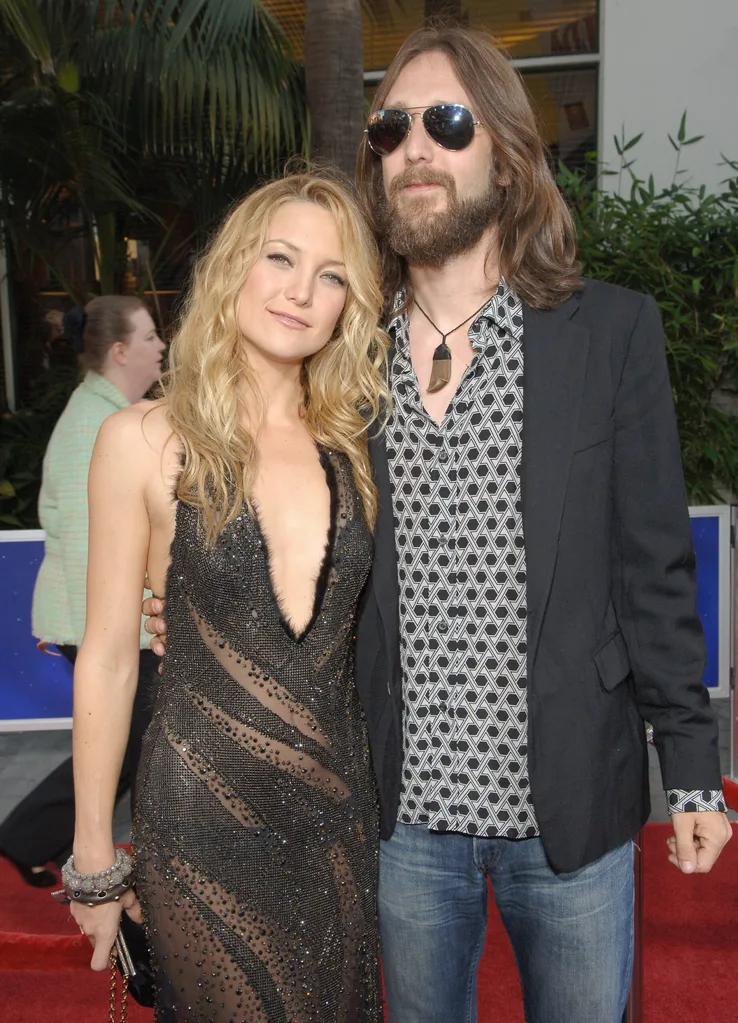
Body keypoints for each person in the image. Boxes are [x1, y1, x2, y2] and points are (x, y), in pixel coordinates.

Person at [139, 23, 733, 1023]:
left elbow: (655, 570)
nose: (415, 147)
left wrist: (693, 770)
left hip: (569, 802)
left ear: (505, 153)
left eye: (448, 122)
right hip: (400, 817)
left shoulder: (609, 333)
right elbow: (277, 528)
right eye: (392, 127)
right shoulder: (338, 359)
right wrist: (187, 608)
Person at [67, 173, 389, 1022]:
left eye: (330, 274)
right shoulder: (140, 440)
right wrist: (94, 855)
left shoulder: (360, 446)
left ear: (348, 304)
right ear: (233, 266)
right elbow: (107, 657)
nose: (300, 290)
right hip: (201, 826)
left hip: (338, 824)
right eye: (280, 258)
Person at [0, 296, 164, 886]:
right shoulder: (94, 427)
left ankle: (28, 839)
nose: (161, 347)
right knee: (132, 747)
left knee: (129, 748)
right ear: (120, 351)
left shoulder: (110, 416)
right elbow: (90, 544)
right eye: (150, 337)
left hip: (112, 624)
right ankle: (30, 839)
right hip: (104, 626)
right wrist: (137, 627)